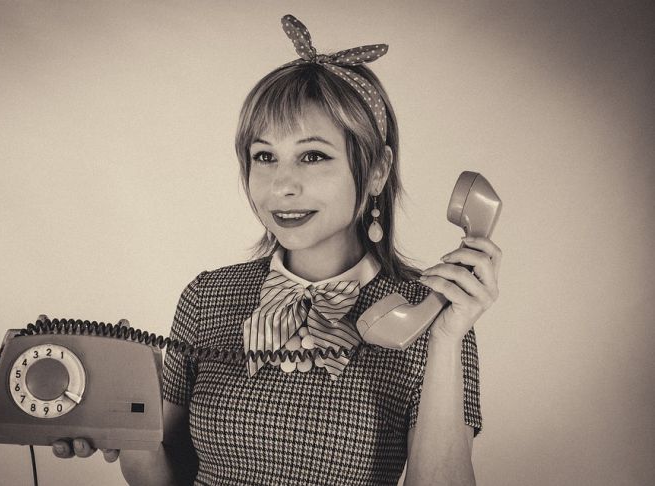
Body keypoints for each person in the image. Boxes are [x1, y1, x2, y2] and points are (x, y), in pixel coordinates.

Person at [53, 14, 501, 486]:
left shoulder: (435, 321)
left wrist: (445, 339)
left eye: (313, 156)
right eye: (264, 156)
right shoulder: (207, 297)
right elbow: (167, 477)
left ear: (376, 171)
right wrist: (125, 428)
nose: (282, 186)